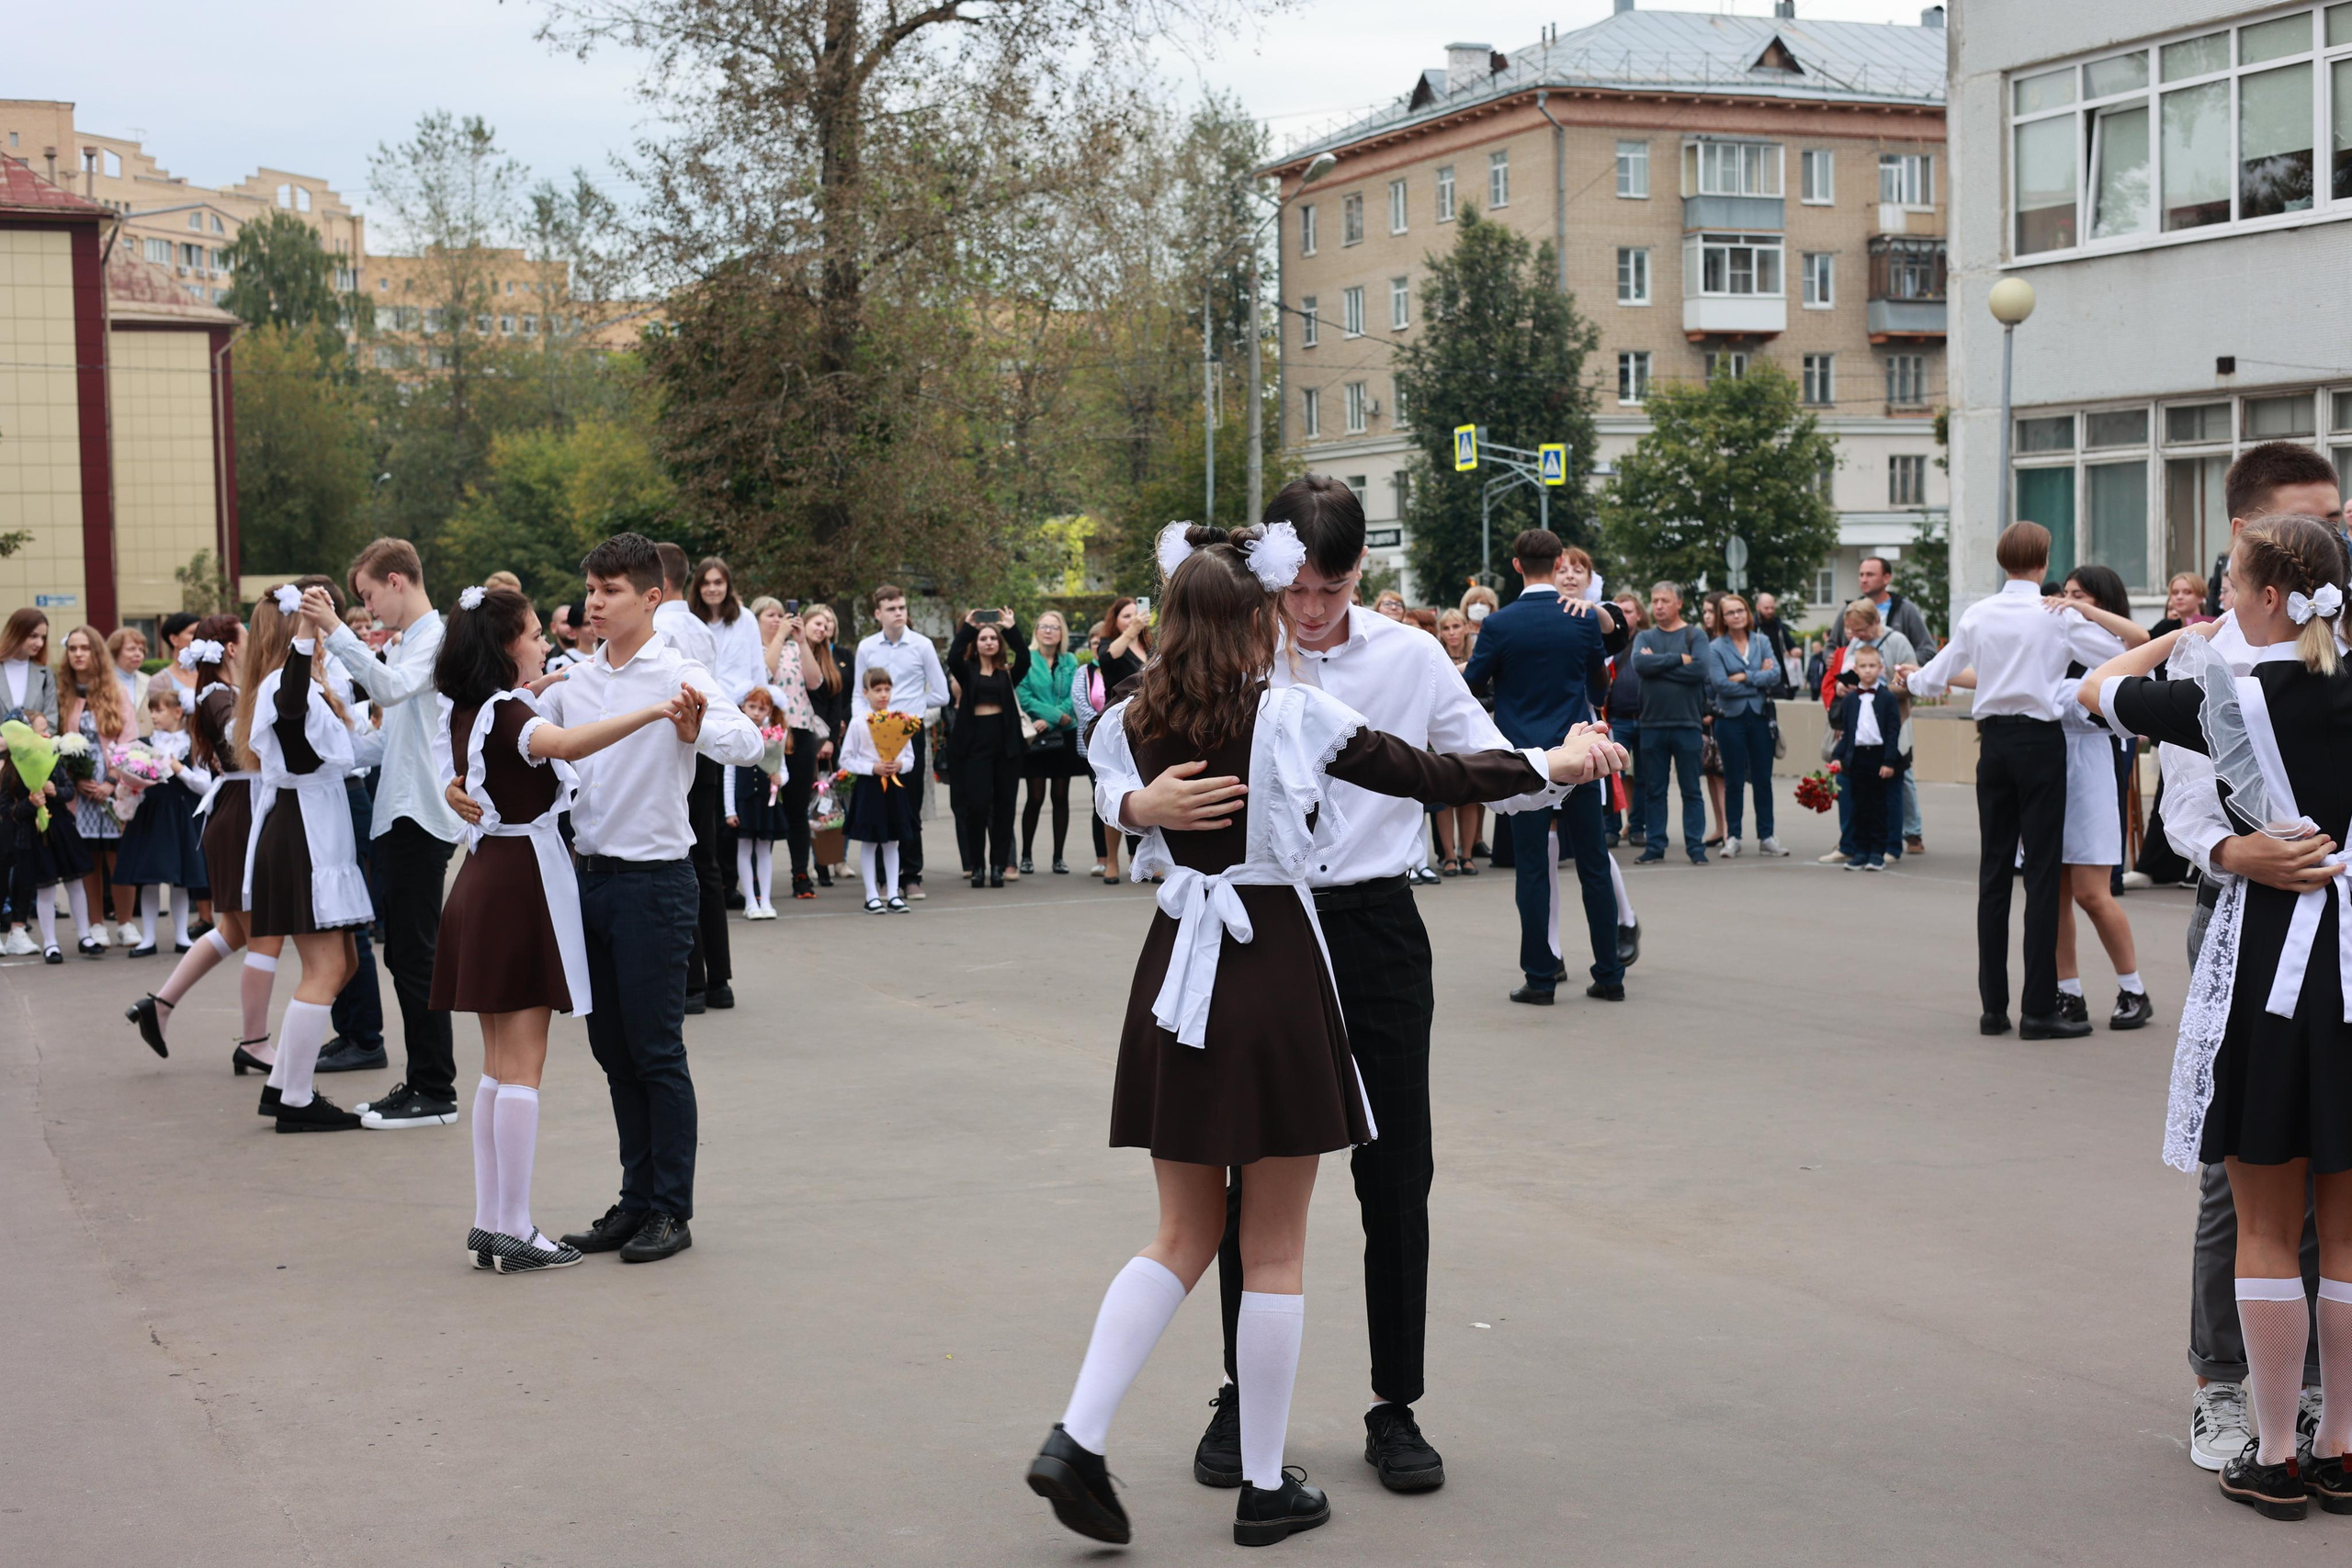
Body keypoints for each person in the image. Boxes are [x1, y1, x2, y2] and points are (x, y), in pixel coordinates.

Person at [1026, 519, 1621, 1550]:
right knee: (1276, 1245)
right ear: (1256, 620)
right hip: (1271, 965)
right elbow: (1434, 777)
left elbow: (1117, 801)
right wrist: (1557, 761)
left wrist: (1132, 802)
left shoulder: (1123, 722)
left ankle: (1077, 1434)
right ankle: (1263, 1487)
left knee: (1179, 1233)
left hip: (1176, 968)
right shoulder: (1292, 713)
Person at [2081, 513, 2352, 1523]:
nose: (2220, 600)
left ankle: (2274, 1453)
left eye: (2232, 583)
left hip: (2271, 972)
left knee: (2267, 1225)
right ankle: (2343, 1446)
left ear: (2273, 596)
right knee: (2348, 1229)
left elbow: (2096, 692)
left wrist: (2173, 635)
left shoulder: (2228, 694)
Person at [454, 532, 760, 1265]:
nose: (594, 601)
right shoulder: (569, 680)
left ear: (652, 597)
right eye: (590, 587)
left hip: (656, 882)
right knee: (612, 1050)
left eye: (611, 589)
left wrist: (698, 727)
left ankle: (670, 1209)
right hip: (583, 881)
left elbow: (747, 741)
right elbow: (490, 734)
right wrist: (455, 786)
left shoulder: (678, 672)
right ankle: (634, 1197)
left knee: (656, 1050)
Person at [2154, 444, 2344, 1474]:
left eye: (2340, 519)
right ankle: (2221, 1386)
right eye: (2314, 520)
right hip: (2244, 916)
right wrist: (2239, 851)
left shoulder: (2336, 639)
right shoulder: (2201, 653)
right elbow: (2184, 809)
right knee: (2245, 1179)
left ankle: (2316, 1395)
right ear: (2247, 539)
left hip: (2341, 928)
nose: (2335, 538)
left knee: (2334, 1158)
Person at [431, 584, 684, 1273]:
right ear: (506, 644)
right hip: (520, 883)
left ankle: (493, 1220)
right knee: (522, 1068)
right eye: (536, 632)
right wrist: (652, 709)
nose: (546, 640)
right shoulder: (511, 712)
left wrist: (548, 680)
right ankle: (514, 1225)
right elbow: (565, 740)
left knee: (496, 1068)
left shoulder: (470, 707)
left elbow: (487, 749)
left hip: (486, 877)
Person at [1897, 520, 2116, 1039]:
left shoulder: (1978, 614)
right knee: (2041, 877)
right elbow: (2113, 655)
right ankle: (2038, 1009)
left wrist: (1909, 676)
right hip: (2041, 744)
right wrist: (2082, 612)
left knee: (1993, 874)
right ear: (2044, 562)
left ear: (2003, 562)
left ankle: (1993, 1007)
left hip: (1992, 745)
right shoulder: (2054, 615)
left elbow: (1935, 677)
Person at [312, 538, 469, 1116]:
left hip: (420, 815)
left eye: (369, 594)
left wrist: (335, 629)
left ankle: (435, 1089)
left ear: (398, 580)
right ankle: (425, 1081)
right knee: (405, 954)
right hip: (403, 810)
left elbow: (386, 690)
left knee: (414, 955)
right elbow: (389, 738)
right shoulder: (412, 642)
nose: (369, 607)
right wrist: (323, 753)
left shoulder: (438, 637)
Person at [1463, 528, 1625, 1004]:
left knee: (1533, 868)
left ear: (1516, 565)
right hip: (1581, 753)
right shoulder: (1579, 621)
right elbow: (1598, 687)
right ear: (1558, 565)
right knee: (1593, 864)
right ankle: (1609, 974)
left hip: (1527, 761)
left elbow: (1471, 684)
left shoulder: (1500, 624)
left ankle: (1539, 977)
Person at [243, 587, 373, 1133]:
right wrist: (305, 635)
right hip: (303, 833)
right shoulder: (282, 684)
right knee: (325, 969)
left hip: (315, 825)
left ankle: (282, 1086)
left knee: (344, 964)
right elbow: (294, 705)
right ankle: (295, 1097)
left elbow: (345, 750)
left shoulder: (309, 686)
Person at [126, 619, 281, 1069]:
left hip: (237, 808)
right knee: (262, 936)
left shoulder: (221, 694)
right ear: (232, 648)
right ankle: (254, 1042)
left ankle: (159, 1005)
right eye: (246, 636)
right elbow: (248, 746)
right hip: (240, 812)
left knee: (234, 930)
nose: (253, 640)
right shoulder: (218, 697)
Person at [2050, 565, 2154, 1028]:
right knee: (2052, 893)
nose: (2066, 601)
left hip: (2092, 766)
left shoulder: (2113, 651)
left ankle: (2133, 989)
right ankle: (2067, 992)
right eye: (2065, 593)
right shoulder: (2053, 644)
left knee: (2092, 893)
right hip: (2047, 765)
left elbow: (2142, 638)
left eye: (2080, 595)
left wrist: (2081, 610)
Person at [650, 542, 733, 1012]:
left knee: (681, 860)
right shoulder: (701, 628)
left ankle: (693, 980)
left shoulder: (660, 627)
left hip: (677, 748)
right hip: (708, 745)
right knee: (708, 861)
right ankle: (719, 978)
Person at [853, 585, 949, 900]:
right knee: (879, 804)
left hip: (908, 733)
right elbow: (858, 693)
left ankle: (911, 875)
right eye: (891, 608)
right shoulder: (867, 647)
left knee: (909, 804)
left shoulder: (921, 645)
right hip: (875, 733)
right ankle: (882, 879)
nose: (899, 613)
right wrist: (863, 724)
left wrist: (910, 712)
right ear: (878, 613)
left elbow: (941, 693)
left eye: (902, 607)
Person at [110, 682, 211, 955]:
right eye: (151, 710)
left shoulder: (193, 746)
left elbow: (205, 785)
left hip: (180, 814)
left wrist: (178, 768)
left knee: (180, 877)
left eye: (160, 710)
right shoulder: (144, 744)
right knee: (150, 876)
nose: (154, 716)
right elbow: (131, 778)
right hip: (151, 813)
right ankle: (149, 937)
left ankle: (182, 937)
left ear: (178, 712)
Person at [945, 609, 1030, 887]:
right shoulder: (967, 672)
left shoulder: (1007, 673)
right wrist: (969, 627)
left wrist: (1010, 627)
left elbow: (1025, 658)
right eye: (984, 638)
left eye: (993, 638)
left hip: (1005, 746)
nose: (989, 642)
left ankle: (998, 866)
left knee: (1005, 808)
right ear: (977, 643)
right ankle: (977, 866)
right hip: (974, 746)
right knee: (977, 807)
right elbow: (952, 657)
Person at [751, 595, 827, 899]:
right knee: (764, 805)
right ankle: (758, 878)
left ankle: (800, 873)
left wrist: (801, 640)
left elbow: (815, 681)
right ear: (756, 620)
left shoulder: (796, 647)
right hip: (767, 732)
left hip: (801, 729)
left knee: (797, 806)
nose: (777, 620)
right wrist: (780, 636)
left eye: (781, 615)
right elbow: (764, 675)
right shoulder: (753, 650)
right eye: (770, 615)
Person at [1631, 583, 1711, 865]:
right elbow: (1640, 666)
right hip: (1651, 724)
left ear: (1679, 603)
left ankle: (1695, 847)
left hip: (1687, 723)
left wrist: (1659, 668)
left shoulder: (1694, 634)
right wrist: (1678, 660)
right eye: (1655, 601)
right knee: (1654, 789)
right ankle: (1655, 845)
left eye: (1665, 600)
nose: (1659, 606)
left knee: (1691, 789)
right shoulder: (1644, 636)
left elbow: (1701, 669)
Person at [1706, 592, 1787, 857]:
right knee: (1733, 780)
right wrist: (1756, 679)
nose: (1736, 616)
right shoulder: (1716, 647)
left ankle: (1767, 836)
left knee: (1763, 778)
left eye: (1740, 610)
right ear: (1723, 618)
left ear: (1747, 613)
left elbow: (1775, 675)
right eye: (1730, 613)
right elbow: (1721, 686)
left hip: (1760, 717)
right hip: (1729, 720)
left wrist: (1743, 676)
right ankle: (1734, 837)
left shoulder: (1762, 641)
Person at [842, 666, 920, 912]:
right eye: (877, 690)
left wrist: (900, 764)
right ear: (866, 693)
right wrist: (871, 767)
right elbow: (846, 760)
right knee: (870, 841)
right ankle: (871, 894)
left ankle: (894, 893)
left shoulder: (900, 720)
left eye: (887, 689)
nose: (883, 694)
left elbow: (910, 758)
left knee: (892, 842)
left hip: (894, 786)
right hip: (869, 787)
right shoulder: (859, 723)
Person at [1827, 648, 1905, 871]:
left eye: (1872, 666)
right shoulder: (1850, 700)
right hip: (1857, 759)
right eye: (1863, 666)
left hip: (1879, 758)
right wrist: (1838, 757)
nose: (1868, 670)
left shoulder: (1888, 698)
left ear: (1880, 669)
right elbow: (1847, 733)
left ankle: (1877, 853)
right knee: (1859, 807)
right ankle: (1860, 851)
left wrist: (1889, 761)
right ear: (1855, 669)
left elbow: (1893, 732)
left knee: (1879, 808)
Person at [1016, 609, 1081, 874]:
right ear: (1036, 631)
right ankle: (1026, 855)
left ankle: (1058, 857)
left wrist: (1054, 719)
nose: (1048, 631)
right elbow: (1023, 694)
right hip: (1035, 733)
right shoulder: (1026, 660)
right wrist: (1051, 716)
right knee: (1035, 796)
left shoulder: (1070, 661)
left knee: (1060, 796)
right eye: (1043, 626)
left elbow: (1074, 694)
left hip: (1063, 734)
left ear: (1061, 633)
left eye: (1054, 627)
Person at [795, 603, 854, 891]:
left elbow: (835, 701)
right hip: (801, 737)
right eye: (816, 624)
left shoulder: (830, 659)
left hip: (825, 743)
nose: (822, 629)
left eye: (825, 625)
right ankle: (804, 867)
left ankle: (824, 863)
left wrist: (830, 740)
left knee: (825, 805)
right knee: (803, 806)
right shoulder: (794, 654)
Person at [723, 683, 791, 918]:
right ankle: (750, 901)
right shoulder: (737, 733)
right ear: (742, 707)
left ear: (770, 711)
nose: (756, 712)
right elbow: (729, 775)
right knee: (744, 849)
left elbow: (783, 768)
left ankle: (766, 900)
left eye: (761, 708)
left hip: (766, 801)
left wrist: (780, 778)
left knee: (764, 850)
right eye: (751, 707)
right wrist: (729, 810)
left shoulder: (775, 736)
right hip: (744, 802)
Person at [1430, 609, 1484, 874]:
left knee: (1470, 796)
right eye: (1446, 627)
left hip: (1470, 732)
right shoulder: (1434, 657)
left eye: (1456, 626)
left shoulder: (1479, 658)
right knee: (1444, 798)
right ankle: (1449, 856)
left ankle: (1468, 854)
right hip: (1440, 734)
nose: (1451, 632)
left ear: (1465, 628)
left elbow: (1492, 694)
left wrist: (1467, 706)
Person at [692, 557, 765, 703]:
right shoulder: (689, 622)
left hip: (740, 707)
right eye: (706, 583)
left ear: (728, 585)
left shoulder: (746, 619)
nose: (712, 589)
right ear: (698, 587)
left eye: (718, 583)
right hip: (701, 706)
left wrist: (760, 702)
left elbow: (757, 667)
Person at [107, 626, 152, 738]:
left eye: (141, 650)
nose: (138, 654)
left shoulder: (149, 680)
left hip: (148, 745)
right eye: (131, 649)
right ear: (115, 651)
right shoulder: (103, 682)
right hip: (116, 746)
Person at [1753, 592, 1797, 696]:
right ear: (1758, 607)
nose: (1770, 611)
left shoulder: (1778, 626)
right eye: (1766, 608)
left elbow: (1791, 645)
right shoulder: (1752, 627)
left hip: (1779, 676)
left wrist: (1795, 650)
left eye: (1772, 608)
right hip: (1759, 674)